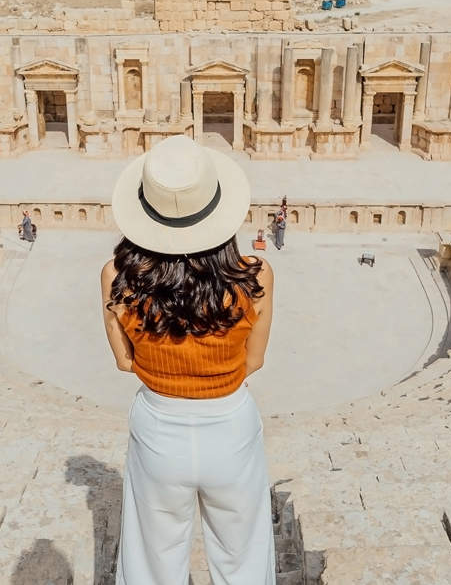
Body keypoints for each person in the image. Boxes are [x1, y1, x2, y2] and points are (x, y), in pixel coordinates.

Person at [103, 135, 275, 585]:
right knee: (243, 558)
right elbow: (253, 360)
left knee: (151, 561)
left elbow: (124, 362)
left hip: (158, 427)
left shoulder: (117, 278)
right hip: (231, 427)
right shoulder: (255, 277)